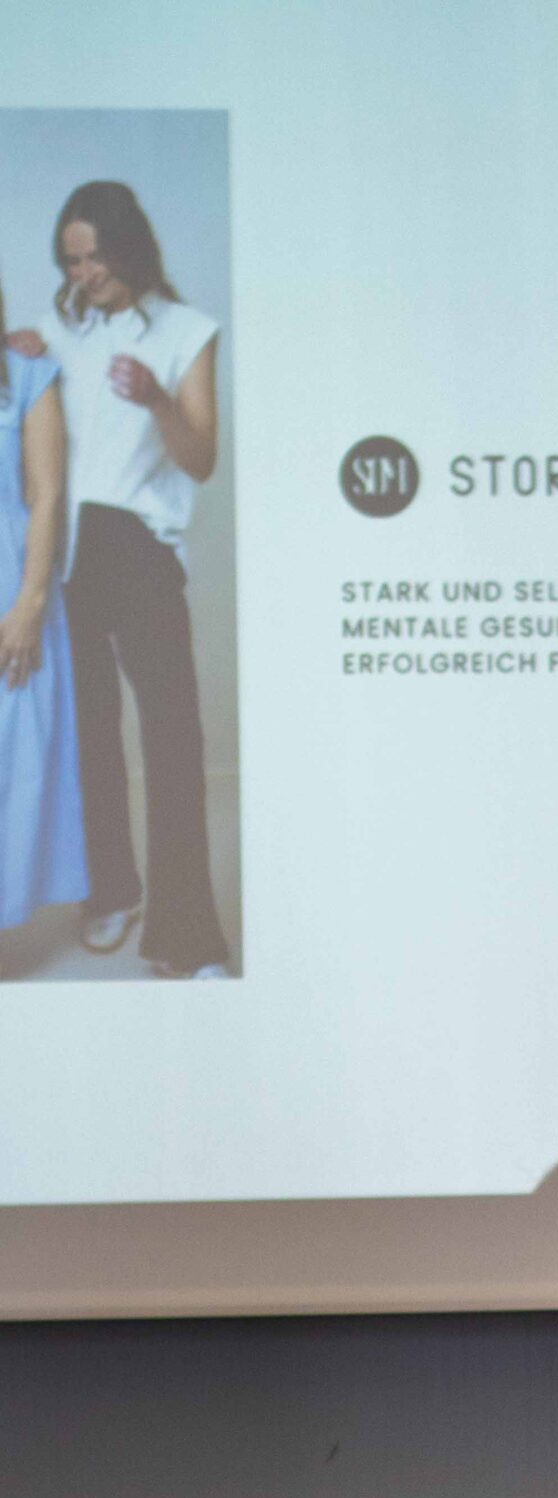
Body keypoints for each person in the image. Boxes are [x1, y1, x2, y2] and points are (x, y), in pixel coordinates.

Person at [15, 181, 230, 977]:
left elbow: (201, 459)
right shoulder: (54, 334)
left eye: (95, 257)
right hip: (66, 554)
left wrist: (159, 399)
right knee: (89, 738)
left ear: (128, 246)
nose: (84, 274)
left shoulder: (187, 331)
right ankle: (110, 892)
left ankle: (186, 938)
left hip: (136, 546)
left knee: (173, 742)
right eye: (71, 262)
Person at [0, 264, 87, 946]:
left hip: (11, 585)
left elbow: (47, 492)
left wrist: (30, 603)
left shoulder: (27, 378)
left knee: (12, 758)